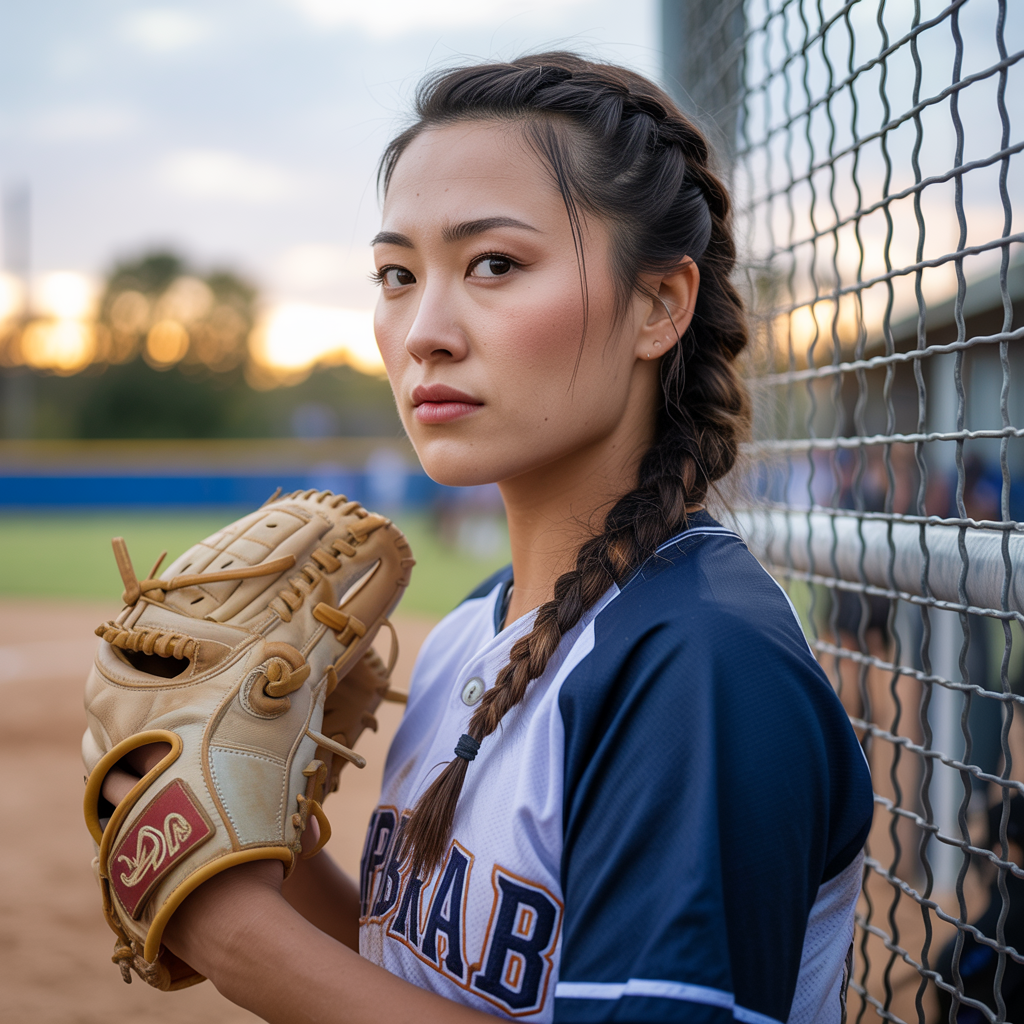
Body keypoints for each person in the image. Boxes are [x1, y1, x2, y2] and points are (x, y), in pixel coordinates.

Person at [103, 52, 874, 1023]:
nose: (423, 329)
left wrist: (238, 942)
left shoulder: (700, 665)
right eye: (395, 274)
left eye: (494, 264)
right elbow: (423, 976)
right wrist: (267, 854)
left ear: (658, 305)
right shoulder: (477, 631)